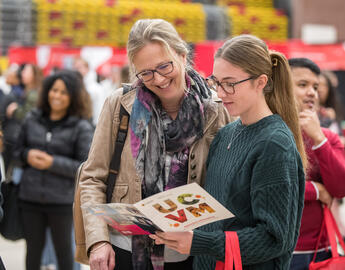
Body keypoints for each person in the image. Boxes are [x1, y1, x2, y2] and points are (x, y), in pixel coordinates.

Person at [79, 18, 231, 270]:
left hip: (190, 252)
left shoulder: (216, 109)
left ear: (182, 56)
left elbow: (226, 183)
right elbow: (92, 177)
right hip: (125, 250)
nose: (159, 79)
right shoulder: (120, 105)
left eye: (164, 66)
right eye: (146, 73)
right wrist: (98, 241)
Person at [151, 35, 307, 270]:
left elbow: (274, 238)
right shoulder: (226, 133)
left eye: (230, 83)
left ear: (260, 82)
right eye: (216, 81)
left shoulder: (275, 144)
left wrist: (199, 242)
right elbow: (218, 211)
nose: (221, 93)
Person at [14, 70, 94, 270]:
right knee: (32, 252)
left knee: (64, 253)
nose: (57, 96)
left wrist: (52, 162)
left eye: (64, 93)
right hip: (29, 198)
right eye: (54, 90)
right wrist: (26, 155)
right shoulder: (32, 118)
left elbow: (85, 167)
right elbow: (15, 152)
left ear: (73, 97)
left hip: (62, 201)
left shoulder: (81, 127)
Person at [287, 58, 345, 270]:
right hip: (274, 250)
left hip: (319, 251)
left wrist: (319, 139)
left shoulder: (327, 136)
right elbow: (263, 187)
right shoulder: (265, 132)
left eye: (315, 86)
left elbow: (340, 188)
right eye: (303, 85)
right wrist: (315, 190)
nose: (312, 92)